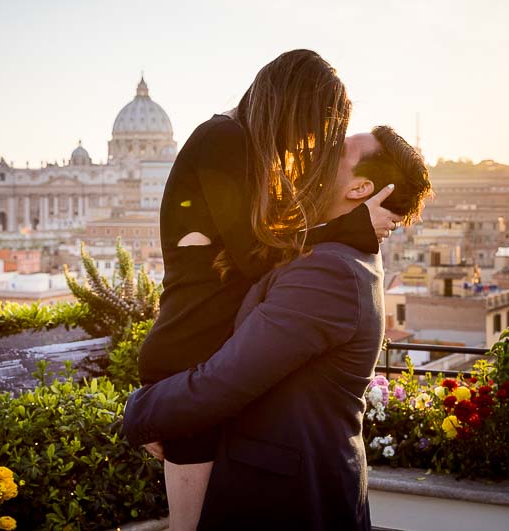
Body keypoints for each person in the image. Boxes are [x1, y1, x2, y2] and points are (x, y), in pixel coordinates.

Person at [136, 50, 401, 529]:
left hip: (210, 356)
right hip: (190, 357)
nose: (315, 142)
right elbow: (259, 253)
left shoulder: (246, 149)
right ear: (295, 108)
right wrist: (349, 227)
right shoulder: (223, 139)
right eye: (317, 125)